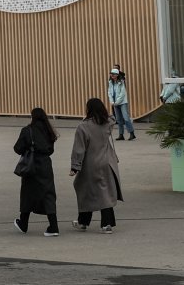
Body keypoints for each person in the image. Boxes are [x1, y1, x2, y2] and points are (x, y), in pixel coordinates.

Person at [69, 97, 122, 232]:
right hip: (108, 163)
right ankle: (104, 223)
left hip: (91, 163)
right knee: (105, 192)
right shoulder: (108, 123)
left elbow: (79, 149)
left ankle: (86, 222)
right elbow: (112, 116)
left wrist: (75, 166)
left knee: (85, 190)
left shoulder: (83, 127)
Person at [13, 108, 59, 236]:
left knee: (28, 193)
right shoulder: (49, 131)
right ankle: (54, 226)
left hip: (31, 166)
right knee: (49, 194)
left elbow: (17, 148)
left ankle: (23, 223)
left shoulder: (27, 130)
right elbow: (51, 150)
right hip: (46, 164)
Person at [108, 67, 136, 141]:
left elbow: (122, 94)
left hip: (122, 102)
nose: (112, 75)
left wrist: (117, 102)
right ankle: (121, 135)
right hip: (114, 103)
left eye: (113, 74)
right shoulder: (110, 82)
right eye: (111, 74)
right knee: (119, 119)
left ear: (117, 75)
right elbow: (109, 93)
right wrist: (112, 102)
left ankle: (131, 133)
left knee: (126, 118)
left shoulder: (121, 82)